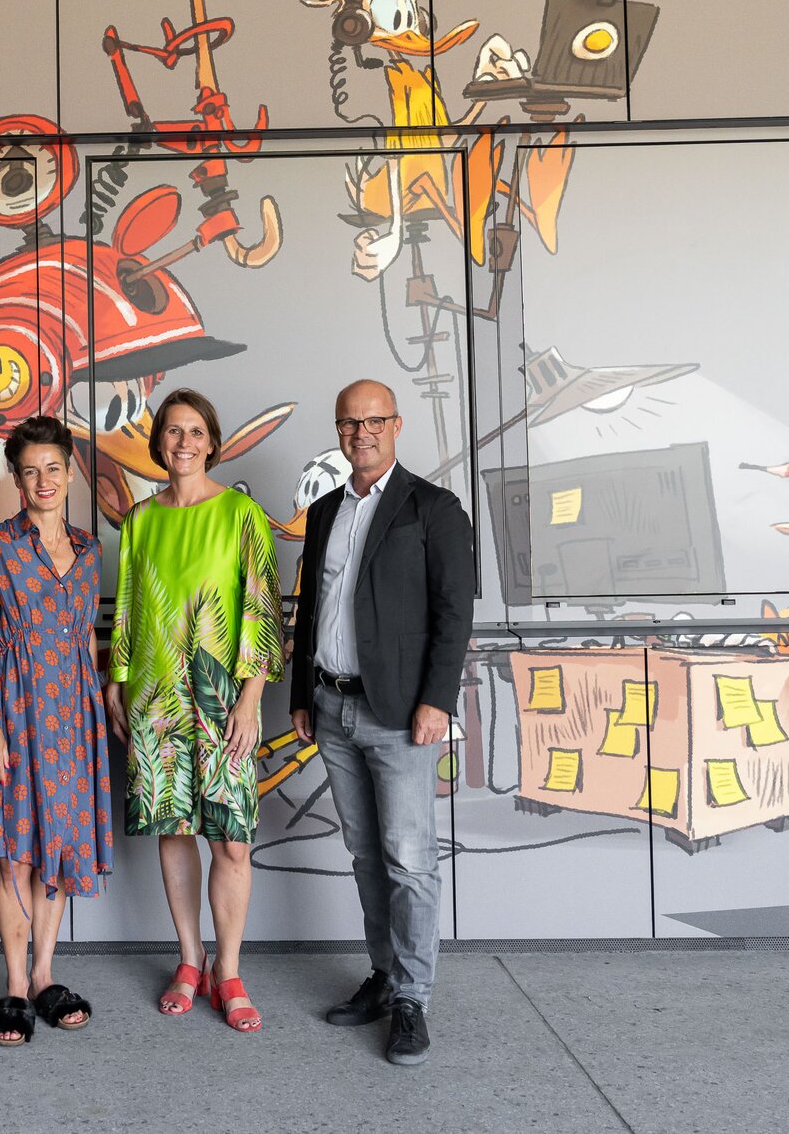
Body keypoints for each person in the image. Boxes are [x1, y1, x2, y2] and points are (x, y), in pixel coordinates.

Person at [288, 379, 474, 1066]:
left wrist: (438, 699)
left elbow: (454, 613)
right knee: (367, 855)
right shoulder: (326, 508)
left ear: (396, 424)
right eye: (347, 422)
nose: (359, 432)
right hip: (332, 707)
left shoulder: (435, 507)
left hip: (399, 712)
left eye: (372, 420)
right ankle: (384, 972)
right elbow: (312, 606)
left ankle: (412, 999)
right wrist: (301, 695)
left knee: (409, 859)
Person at [106, 389, 282, 1034]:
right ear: (159, 445)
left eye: (194, 432)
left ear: (212, 441)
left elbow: (263, 611)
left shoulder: (240, 514)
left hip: (223, 703)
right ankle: (189, 959)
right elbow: (125, 606)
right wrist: (116, 682)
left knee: (231, 843)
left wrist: (250, 698)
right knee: (175, 833)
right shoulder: (140, 520)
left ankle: (229, 971)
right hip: (155, 701)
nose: (183, 442)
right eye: (172, 432)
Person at [0, 416, 111, 1047]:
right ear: (17, 479)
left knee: (57, 851)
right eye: (30, 471)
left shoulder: (89, 549)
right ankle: (14, 987)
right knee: (15, 853)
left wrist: (101, 711)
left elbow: (86, 638)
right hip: (16, 711)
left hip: (74, 716)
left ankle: (47, 973)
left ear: (71, 469)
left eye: (53, 467)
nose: (43, 479)